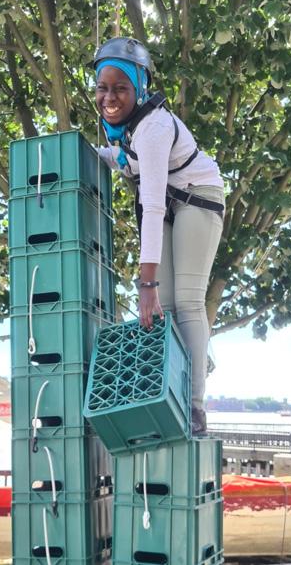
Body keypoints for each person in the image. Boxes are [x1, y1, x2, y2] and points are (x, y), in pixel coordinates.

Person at [93, 37, 225, 435]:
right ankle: (175, 393)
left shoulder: (152, 127)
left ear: (140, 88)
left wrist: (145, 284)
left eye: (121, 88)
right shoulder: (124, 129)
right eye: (102, 88)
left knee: (186, 300)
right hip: (169, 201)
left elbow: (150, 205)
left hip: (197, 197)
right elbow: (121, 159)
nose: (110, 97)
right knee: (163, 308)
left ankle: (196, 406)